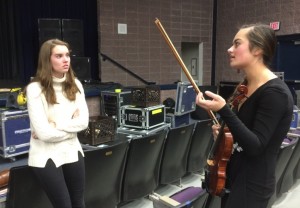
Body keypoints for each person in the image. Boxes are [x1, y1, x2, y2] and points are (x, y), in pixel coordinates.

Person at [196, 24, 294, 208]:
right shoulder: (246, 85)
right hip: (234, 175)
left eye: (237, 44)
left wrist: (224, 109)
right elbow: (244, 133)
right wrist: (226, 137)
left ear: (257, 49)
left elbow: (256, 146)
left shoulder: (275, 93)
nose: (229, 49)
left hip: (252, 186)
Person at [26, 39, 89, 208]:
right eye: (59, 56)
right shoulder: (35, 89)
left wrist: (55, 125)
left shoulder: (76, 84)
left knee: (78, 203)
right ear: (47, 60)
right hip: (45, 154)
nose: (66, 59)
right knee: (64, 205)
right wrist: (70, 125)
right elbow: (44, 134)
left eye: (67, 55)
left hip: (72, 149)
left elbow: (83, 122)